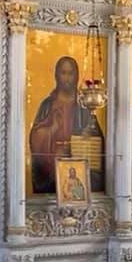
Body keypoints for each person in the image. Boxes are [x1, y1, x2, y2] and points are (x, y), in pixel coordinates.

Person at [29, 56, 102, 194]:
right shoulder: (47, 105)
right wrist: (52, 130)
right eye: (63, 73)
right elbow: (34, 139)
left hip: (78, 167)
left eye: (70, 73)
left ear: (76, 76)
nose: (67, 78)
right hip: (53, 170)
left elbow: (96, 139)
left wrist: (88, 136)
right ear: (57, 76)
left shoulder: (84, 106)